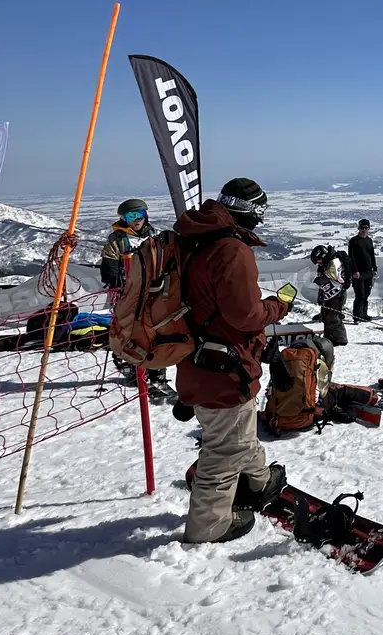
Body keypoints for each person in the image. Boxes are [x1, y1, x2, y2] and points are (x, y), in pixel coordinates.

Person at [176, 178, 293, 544]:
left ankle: (259, 481)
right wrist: (279, 306)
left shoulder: (195, 238)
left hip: (198, 358)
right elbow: (245, 315)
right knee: (224, 448)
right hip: (224, 365)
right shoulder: (231, 250)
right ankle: (209, 527)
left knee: (236, 429)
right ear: (254, 211)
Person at [100, 198, 176, 402]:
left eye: (139, 215)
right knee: (129, 332)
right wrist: (118, 285)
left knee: (157, 330)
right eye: (130, 217)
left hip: (152, 292)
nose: (136, 220)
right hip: (128, 295)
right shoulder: (117, 241)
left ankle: (157, 375)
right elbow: (109, 270)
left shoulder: (153, 236)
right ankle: (132, 368)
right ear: (123, 219)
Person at [310, 245, 349, 345]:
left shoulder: (334, 262)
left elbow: (328, 278)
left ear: (323, 256)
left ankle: (340, 339)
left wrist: (318, 280)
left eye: (319, 261)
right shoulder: (327, 262)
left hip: (337, 294)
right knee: (326, 316)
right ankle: (329, 337)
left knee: (333, 318)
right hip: (330, 294)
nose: (319, 263)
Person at [347, 219, 377, 322]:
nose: (364, 230)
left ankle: (364, 314)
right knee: (360, 294)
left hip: (369, 271)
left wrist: (375, 268)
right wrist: (355, 271)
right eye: (362, 228)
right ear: (359, 228)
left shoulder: (369, 240)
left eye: (366, 228)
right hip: (358, 272)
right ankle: (357, 316)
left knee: (367, 294)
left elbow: (372, 255)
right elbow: (351, 257)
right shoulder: (353, 241)